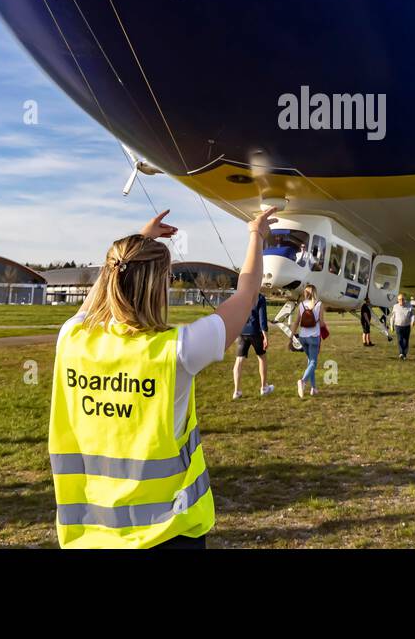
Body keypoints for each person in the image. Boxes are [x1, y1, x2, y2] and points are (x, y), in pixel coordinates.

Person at [48, 206, 278, 548]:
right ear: (158, 288)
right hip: (165, 531)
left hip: (89, 531)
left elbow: (104, 287)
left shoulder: (71, 337)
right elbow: (245, 295)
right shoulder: (179, 350)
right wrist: (256, 236)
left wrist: (140, 242)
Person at [232, 292, 273, 399]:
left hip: (242, 332)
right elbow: (262, 318)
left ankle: (236, 391)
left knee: (239, 361)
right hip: (255, 332)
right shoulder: (260, 298)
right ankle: (264, 388)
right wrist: (265, 336)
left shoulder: (241, 295)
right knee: (262, 358)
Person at [295, 283, 323, 398]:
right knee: (313, 363)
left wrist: (291, 336)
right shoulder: (319, 304)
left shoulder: (301, 304)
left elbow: (297, 322)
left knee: (310, 361)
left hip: (303, 337)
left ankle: (314, 388)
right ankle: (303, 381)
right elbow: (321, 323)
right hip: (314, 336)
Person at [391, 293, 415, 359]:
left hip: (407, 326)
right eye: (399, 299)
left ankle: (404, 353)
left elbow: (413, 314)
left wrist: (413, 321)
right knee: (400, 340)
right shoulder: (395, 306)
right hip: (398, 326)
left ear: (404, 299)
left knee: (405, 340)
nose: (401, 301)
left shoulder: (409, 305)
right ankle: (401, 353)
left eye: (402, 299)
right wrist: (391, 325)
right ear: (397, 300)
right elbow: (392, 317)